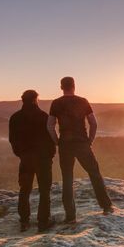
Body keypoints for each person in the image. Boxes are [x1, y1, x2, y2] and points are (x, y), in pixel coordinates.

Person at [47, 77, 113, 224]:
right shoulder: (83, 101)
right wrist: (90, 140)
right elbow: (93, 123)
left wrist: (57, 141)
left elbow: (50, 125)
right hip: (82, 143)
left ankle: (70, 216)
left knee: (67, 178)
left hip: (65, 144)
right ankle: (106, 206)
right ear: (74, 86)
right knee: (94, 173)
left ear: (61, 87)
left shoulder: (56, 103)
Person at [9, 90, 56, 232]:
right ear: (36, 100)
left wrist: (21, 154)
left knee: (24, 190)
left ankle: (24, 221)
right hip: (43, 159)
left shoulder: (15, 118)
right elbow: (50, 138)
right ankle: (43, 222)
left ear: (23, 100)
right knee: (44, 190)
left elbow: (13, 140)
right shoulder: (43, 117)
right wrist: (50, 154)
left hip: (26, 159)